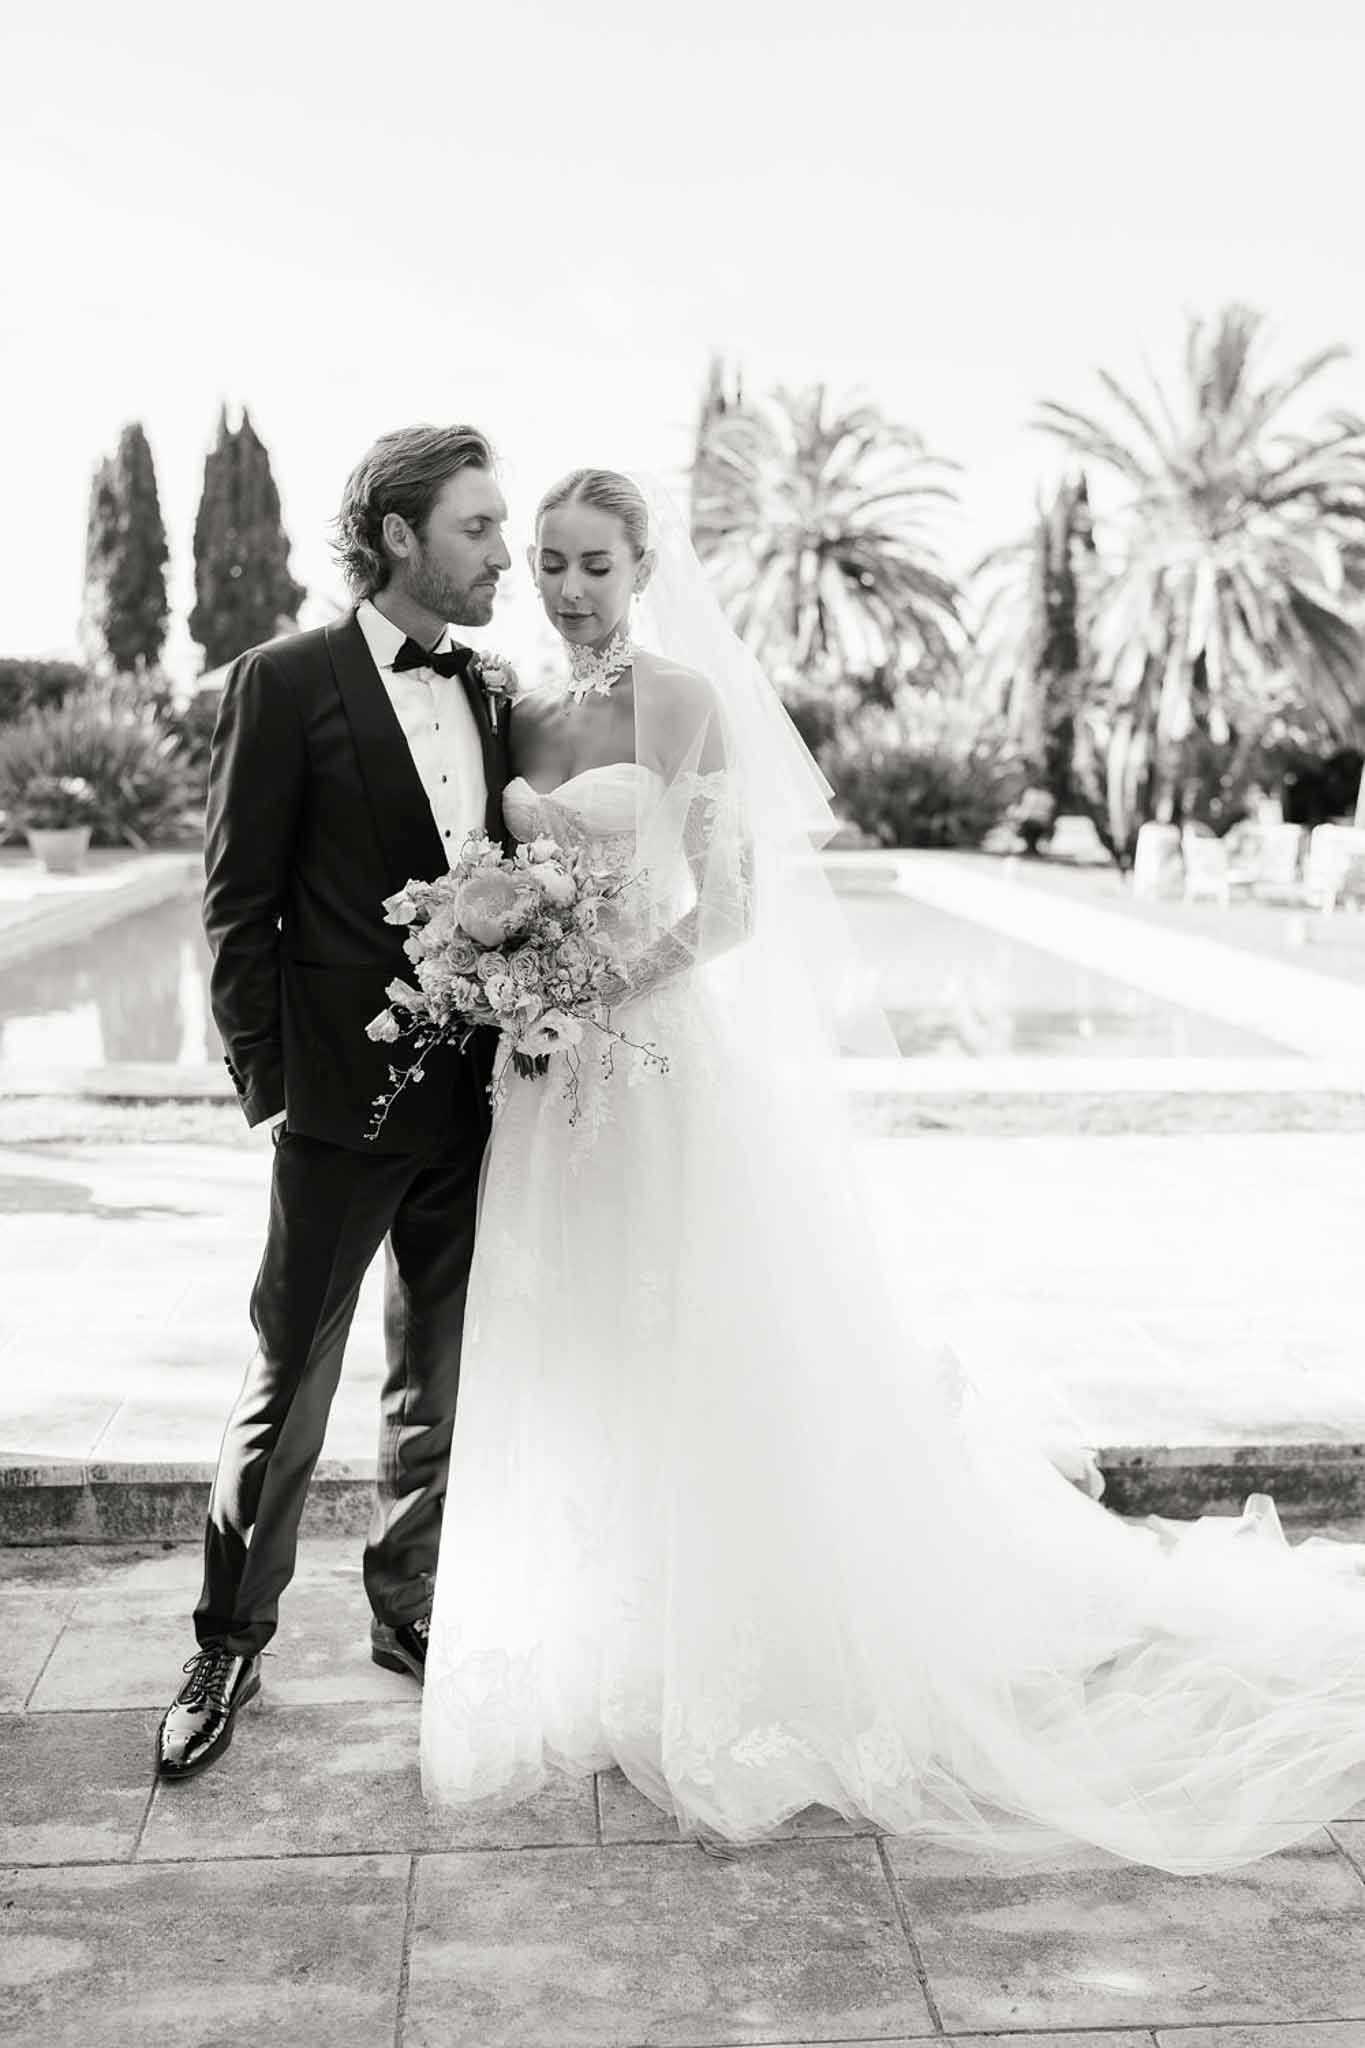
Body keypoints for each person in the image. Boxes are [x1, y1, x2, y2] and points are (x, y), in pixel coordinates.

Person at [420, 467, 1365, 1876]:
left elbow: (731, 909)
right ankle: (602, 1637)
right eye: (548, 560)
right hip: (545, 1083)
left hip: (657, 1063)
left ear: (642, 566)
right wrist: (502, 965)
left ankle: (738, 1649)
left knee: (697, 1346)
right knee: (577, 1345)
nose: (566, 587)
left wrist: (601, 979)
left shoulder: (681, 701)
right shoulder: (518, 706)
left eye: (594, 563)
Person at [156, 424, 512, 1782]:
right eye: (477, 528)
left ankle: (407, 1605)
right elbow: (235, 902)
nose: (501, 553)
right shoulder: (283, 680)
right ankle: (228, 1639)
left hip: (479, 1098)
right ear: (399, 534)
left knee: (438, 1376)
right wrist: (272, 1088)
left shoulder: (488, 693)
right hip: (335, 1108)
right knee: (287, 1380)